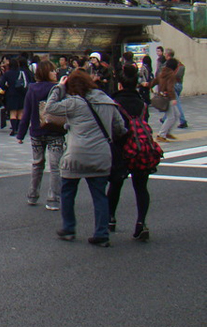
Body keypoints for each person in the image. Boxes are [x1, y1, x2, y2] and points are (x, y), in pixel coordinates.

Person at [44, 69, 126, 247]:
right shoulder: (107, 101)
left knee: (67, 191)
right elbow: (120, 127)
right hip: (101, 155)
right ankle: (101, 234)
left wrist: (59, 87)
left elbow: (49, 108)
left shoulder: (74, 102)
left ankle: (68, 228)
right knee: (99, 196)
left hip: (76, 155)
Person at [107, 64, 154, 241]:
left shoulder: (114, 103)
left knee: (116, 184)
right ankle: (141, 222)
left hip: (120, 147)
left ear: (120, 84)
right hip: (140, 148)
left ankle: (110, 218)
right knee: (141, 187)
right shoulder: (142, 104)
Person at [16, 60, 63, 210]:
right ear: (46, 73)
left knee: (37, 164)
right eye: (52, 71)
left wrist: (20, 134)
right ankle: (53, 199)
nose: (55, 73)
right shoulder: (58, 89)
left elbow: (27, 112)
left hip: (36, 131)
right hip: (55, 130)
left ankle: (32, 195)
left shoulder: (32, 89)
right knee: (55, 166)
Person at [154, 58, 181, 143]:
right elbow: (170, 88)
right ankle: (161, 134)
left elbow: (155, 81)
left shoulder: (162, 72)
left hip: (163, 96)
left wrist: (148, 85)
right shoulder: (171, 75)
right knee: (171, 117)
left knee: (177, 114)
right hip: (168, 98)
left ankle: (167, 132)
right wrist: (173, 98)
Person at [0, 57, 28, 136]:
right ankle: (19, 129)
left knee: (13, 113)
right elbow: (26, 83)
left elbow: (1, 84)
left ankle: (14, 129)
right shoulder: (22, 73)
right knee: (20, 112)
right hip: (21, 94)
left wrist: (7, 88)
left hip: (11, 94)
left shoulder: (7, 73)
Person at [164, 49, 187, 128]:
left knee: (176, 103)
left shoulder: (170, 63)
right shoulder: (179, 63)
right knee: (170, 102)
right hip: (179, 84)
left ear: (167, 54)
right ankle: (165, 118)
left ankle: (182, 120)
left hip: (173, 85)